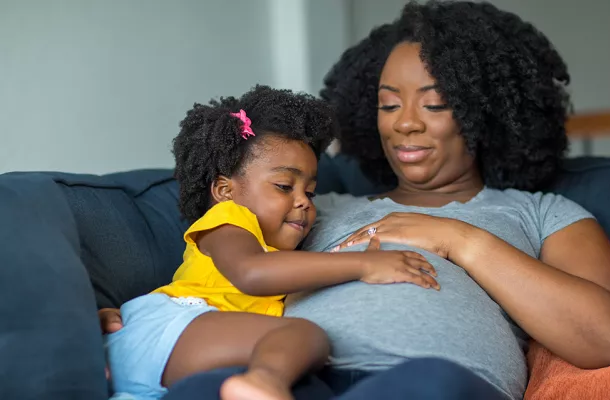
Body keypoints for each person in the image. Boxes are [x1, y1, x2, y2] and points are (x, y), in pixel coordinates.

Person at [101, 1, 610, 399]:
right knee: (213, 387)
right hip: (293, 375)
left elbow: (603, 339)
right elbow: (226, 275)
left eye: (436, 104)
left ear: (485, 110)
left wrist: (459, 239)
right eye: (387, 104)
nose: (405, 122)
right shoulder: (309, 205)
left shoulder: (541, 213)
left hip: (433, 382)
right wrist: (134, 319)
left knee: (430, 383)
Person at [104, 85, 441, 400]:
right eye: (284, 186)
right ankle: (265, 381)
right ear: (225, 192)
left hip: (155, 373)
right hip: (170, 327)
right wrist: (364, 264)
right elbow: (252, 273)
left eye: (309, 191)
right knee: (302, 336)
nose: (304, 202)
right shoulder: (229, 221)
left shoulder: (280, 250)